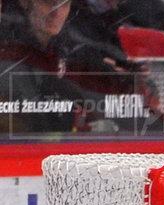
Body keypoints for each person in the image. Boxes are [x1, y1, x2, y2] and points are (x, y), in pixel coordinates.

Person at [0, 0, 146, 133]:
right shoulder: (9, 51)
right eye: (49, 3)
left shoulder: (73, 48)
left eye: (64, 4)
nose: (56, 12)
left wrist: (131, 83)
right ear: (26, 2)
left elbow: (110, 92)